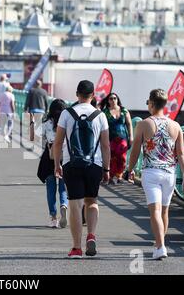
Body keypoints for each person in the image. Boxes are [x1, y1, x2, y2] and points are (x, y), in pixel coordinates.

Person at [126, 89, 184, 260]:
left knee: (154, 211)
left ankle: (160, 246)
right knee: (164, 211)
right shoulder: (176, 126)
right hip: (169, 174)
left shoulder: (144, 124)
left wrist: (130, 169)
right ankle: (159, 244)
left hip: (151, 172)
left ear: (152, 103)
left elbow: (135, 152)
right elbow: (182, 153)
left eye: (148, 102)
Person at [53, 80, 110, 258]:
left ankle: (76, 247)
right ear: (93, 96)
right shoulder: (100, 115)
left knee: (75, 205)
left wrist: (57, 164)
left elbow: (58, 142)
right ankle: (91, 235)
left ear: (77, 94)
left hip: (72, 164)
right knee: (92, 201)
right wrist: (107, 169)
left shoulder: (67, 113)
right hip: (94, 164)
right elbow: (106, 145)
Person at [39, 99, 69, 228]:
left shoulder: (46, 123)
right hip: (65, 156)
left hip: (50, 156)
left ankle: (53, 217)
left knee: (50, 188)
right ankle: (64, 205)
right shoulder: (67, 122)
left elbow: (40, 139)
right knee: (64, 186)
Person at [99, 93, 134, 184]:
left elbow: (129, 124)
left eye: (115, 98)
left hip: (122, 138)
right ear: (108, 101)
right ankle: (110, 177)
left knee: (122, 158)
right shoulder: (105, 112)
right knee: (111, 158)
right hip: (110, 138)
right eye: (111, 99)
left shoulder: (124, 110)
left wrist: (131, 137)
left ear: (117, 99)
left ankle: (120, 177)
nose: (113, 100)